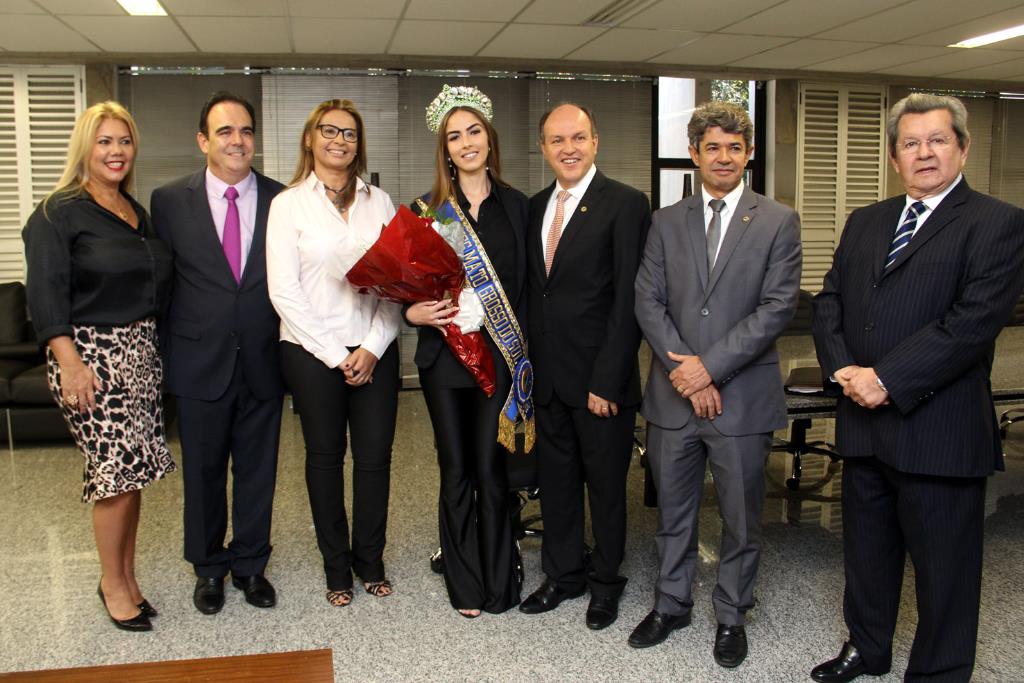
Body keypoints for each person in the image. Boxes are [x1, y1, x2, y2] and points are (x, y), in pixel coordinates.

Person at [811, 93, 1024, 683]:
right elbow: (829, 302)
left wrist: (887, 379)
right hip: (863, 424)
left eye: (937, 140)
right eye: (911, 143)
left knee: (945, 570)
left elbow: (971, 324)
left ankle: (940, 672)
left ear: (962, 146)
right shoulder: (866, 221)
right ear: (893, 155)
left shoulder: (997, 223)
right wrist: (844, 371)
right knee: (867, 557)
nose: (924, 152)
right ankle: (868, 648)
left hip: (939, 431)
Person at [631, 101, 802, 666]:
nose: (723, 156)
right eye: (713, 146)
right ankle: (671, 603)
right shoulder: (664, 221)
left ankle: (732, 613)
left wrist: (709, 368)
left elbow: (777, 309)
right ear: (695, 153)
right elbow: (648, 301)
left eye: (735, 147)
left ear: (748, 154)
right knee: (673, 514)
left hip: (741, 401)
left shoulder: (778, 220)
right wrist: (687, 371)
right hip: (673, 401)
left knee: (741, 518)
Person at [23, 101, 174, 632]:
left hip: (140, 354)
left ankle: (127, 576)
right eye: (105, 141)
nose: (116, 151)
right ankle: (112, 585)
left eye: (124, 141)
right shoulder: (57, 213)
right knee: (112, 476)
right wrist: (70, 363)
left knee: (133, 474)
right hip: (91, 357)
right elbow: (44, 297)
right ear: (85, 146)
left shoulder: (132, 209)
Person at [151, 92, 284, 615]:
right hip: (197, 360)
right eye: (225, 131)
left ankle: (251, 565)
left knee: (257, 471)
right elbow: (161, 285)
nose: (238, 140)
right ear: (203, 140)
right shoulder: (168, 201)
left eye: (246, 131)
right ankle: (208, 569)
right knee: (203, 473)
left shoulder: (281, 199)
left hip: (262, 358)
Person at [519, 103, 650, 631]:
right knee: (557, 484)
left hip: (601, 384)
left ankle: (605, 584)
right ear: (543, 148)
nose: (567, 148)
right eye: (556, 140)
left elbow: (629, 301)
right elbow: (535, 293)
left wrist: (608, 379)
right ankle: (563, 574)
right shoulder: (534, 208)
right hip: (547, 380)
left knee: (605, 489)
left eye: (577, 137)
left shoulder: (625, 204)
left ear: (596, 141)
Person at [267, 99, 401, 608]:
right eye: (329, 131)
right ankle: (336, 566)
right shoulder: (288, 205)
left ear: (358, 144)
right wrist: (333, 353)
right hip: (309, 350)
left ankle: (371, 560)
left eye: (349, 133)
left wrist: (370, 347)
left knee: (374, 459)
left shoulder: (380, 203)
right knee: (325, 459)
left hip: (375, 347)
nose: (339, 140)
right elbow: (283, 291)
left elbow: (395, 286)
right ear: (310, 139)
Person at [405, 84, 531, 618]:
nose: (466, 143)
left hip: (499, 362)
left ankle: (500, 577)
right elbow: (404, 289)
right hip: (444, 363)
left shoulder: (521, 208)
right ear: (446, 149)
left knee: (491, 468)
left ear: (488, 137)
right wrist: (411, 313)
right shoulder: (426, 212)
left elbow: (528, 290)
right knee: (455, 468)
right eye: (454, 136)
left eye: (473, 131)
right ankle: (464, 581)